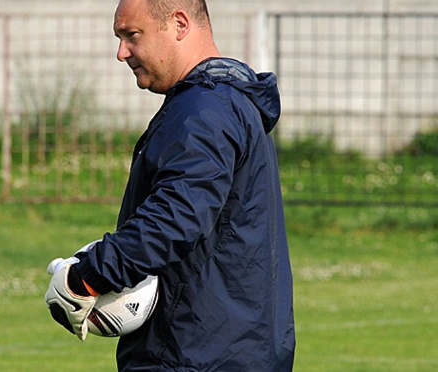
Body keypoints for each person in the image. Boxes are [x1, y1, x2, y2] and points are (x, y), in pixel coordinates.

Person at [45, 0, 296, 370]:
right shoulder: (222, 103)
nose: (121, 52)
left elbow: (176, 217)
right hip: (226, 349)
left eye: (132, 36)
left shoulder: (205, 110)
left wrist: (88, 277)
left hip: (195, 354)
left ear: (179, 24)